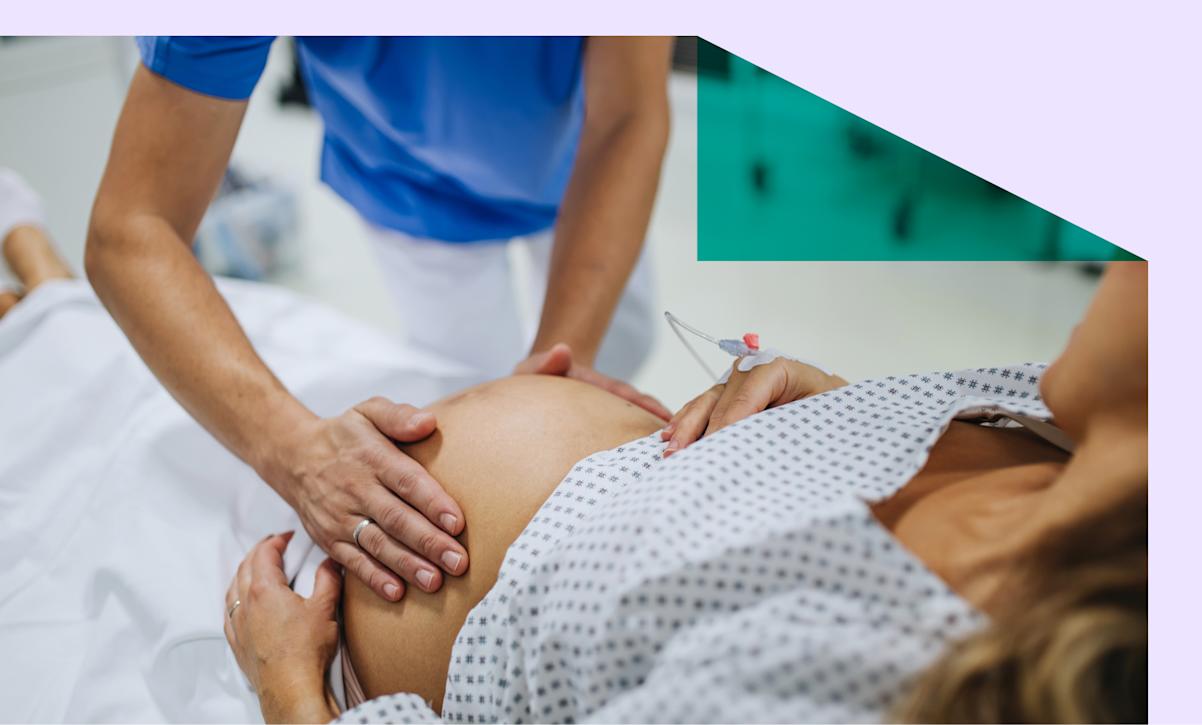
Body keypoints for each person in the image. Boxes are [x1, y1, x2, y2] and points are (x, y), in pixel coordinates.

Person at [221, 262, 1147, 722]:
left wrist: (290, 690)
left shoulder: (875, 684)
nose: (1133, 258)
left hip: (332, 619)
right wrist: (837, 414)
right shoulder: (1052, 419)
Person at [84, 37, 674, 604]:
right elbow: (133, 228)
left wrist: (556, 372)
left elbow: (626, 115)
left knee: (615, 350)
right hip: (410, 183)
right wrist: (295, 451)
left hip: (583, 155)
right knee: (471, 387)